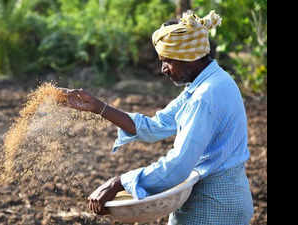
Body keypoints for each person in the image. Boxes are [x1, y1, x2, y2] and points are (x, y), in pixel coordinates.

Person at [60, 10, 254, 225]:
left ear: (187, 57)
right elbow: (156, 126)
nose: (163, 69)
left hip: (210, 207)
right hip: (232, 200)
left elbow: (178, 166)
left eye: (167, 61)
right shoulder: (214, 81)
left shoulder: (204, 97)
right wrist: (98, 107)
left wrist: (119, 183)